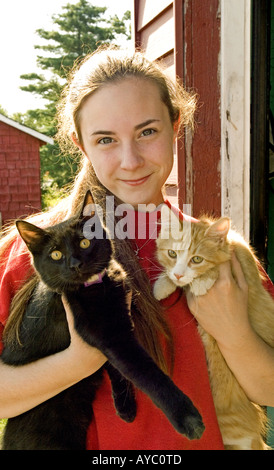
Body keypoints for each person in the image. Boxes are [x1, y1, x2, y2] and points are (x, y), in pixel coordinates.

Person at [0, 47, 272, 451]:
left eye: (147, 132)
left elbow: (267, 389)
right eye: (106, 139)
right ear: (81, 143)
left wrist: (233, 333)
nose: (130, 161)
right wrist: (81, 360)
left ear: (175, 126)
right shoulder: (38, 253)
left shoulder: (217, 251)